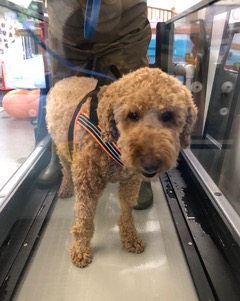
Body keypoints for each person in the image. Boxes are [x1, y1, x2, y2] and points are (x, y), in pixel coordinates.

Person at [38, 0, 153, 209]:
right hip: (64, 5)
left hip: (123, 7)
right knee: (65, 83)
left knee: (128, 80)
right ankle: (62, 153)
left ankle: (136, 162)